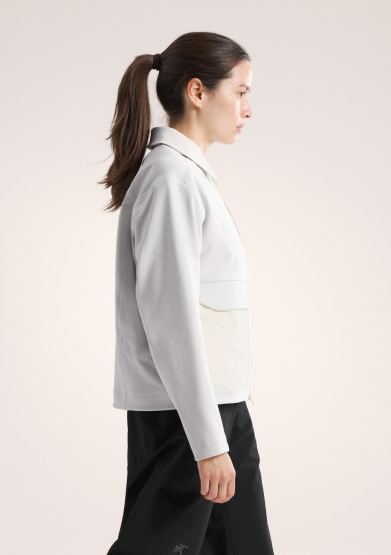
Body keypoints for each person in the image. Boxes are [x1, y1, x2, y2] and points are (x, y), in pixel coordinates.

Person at [99, 31, 275, 555]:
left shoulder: (188, 176)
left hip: (218, 408)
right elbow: (169, 319)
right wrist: (207, 442)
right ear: (198, 92)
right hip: (185, 418)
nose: (248, 108)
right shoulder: (171, 180)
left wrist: (219, 432)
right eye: (240, 92)